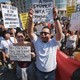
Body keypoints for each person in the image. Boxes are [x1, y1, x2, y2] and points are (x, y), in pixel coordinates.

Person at [27, 6, 62, 80]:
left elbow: (59, 33)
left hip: (51, 73)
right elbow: (30, 32)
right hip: (39, 72)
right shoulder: (37, 41)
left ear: (50, 35)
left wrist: (55, 17)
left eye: (46, 33)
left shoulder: (53, 42)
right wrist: (30, 19)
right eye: (42, 33)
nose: (43, 35)